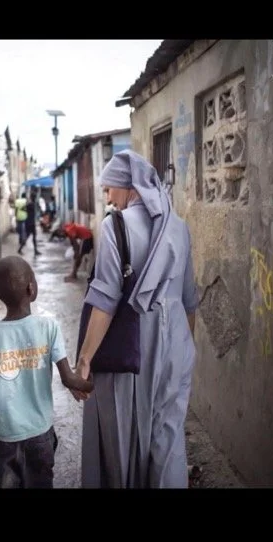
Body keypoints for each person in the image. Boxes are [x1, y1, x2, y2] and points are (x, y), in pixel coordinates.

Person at [72, 149, 199, 489]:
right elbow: (189, 300)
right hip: (176, 341)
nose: (107, 197)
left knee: (127, 435)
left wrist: (84, 360)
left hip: (135, 340)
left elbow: (106, 299)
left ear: (129, 187)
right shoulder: (179, 226)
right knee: (169, 436)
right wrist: (183, 352)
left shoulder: (115, 226)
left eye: (109, 188)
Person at [0, 256, 94, 488]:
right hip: (40, 434)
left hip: (3, 436)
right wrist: (91, 383)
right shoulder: (48, 326)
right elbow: (68, 379)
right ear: (31, 288)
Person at [19, 191, 41, 256]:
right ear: (33, 197)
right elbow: (23, 208)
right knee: (30, 237)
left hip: (29, 222)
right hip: (30, 223)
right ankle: (20, 249)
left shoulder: (31, 204)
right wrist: (28, 209)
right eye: (34, 197)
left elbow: (22, 208)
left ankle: (35, 250)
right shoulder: (31, 204)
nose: (35, 198)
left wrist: (27, 210)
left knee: (32, 237)